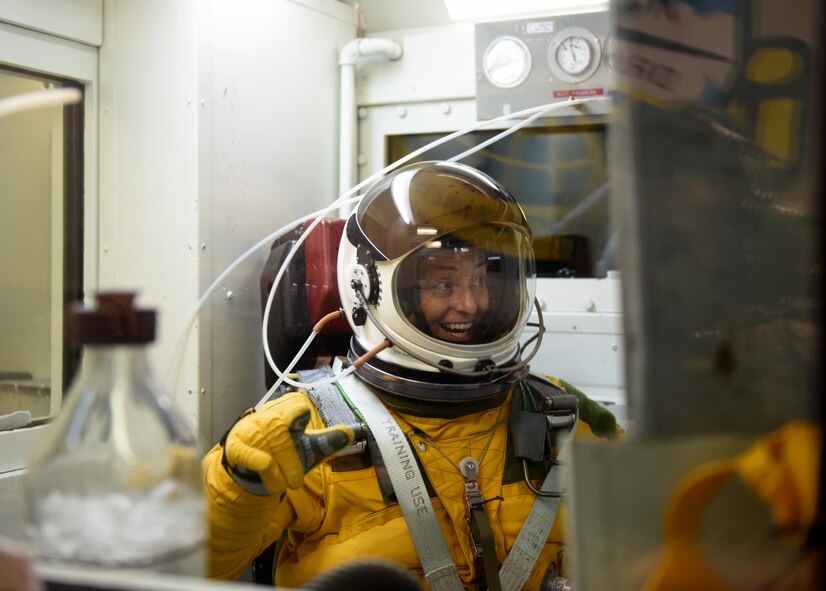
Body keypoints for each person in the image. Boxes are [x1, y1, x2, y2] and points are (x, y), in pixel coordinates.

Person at [203, 161, 620, 590]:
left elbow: (659, 534)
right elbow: (190, 568)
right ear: (366, 287)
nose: (471, 304)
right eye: (442, 285)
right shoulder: (298, 432)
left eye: (483, 280)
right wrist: (238, 488)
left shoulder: (561, 417)